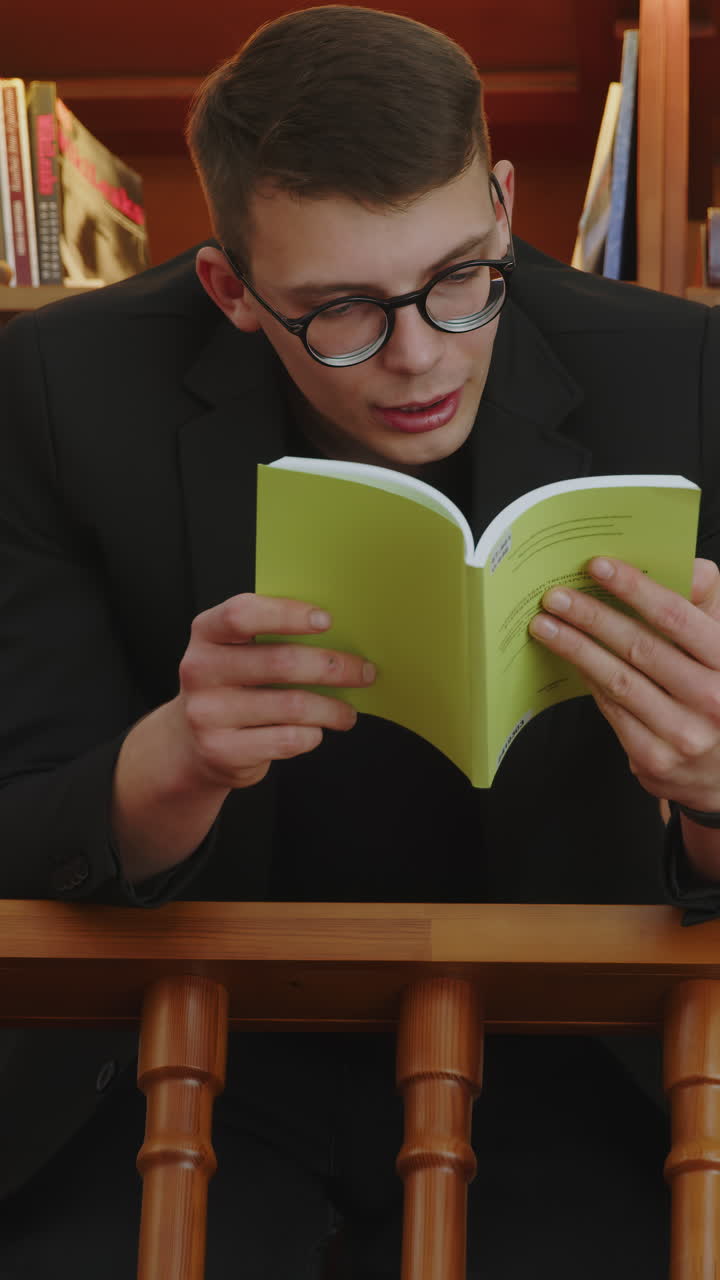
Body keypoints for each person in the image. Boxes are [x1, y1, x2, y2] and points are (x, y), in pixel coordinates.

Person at [1, 6, 720, 1276]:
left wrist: (713, 789)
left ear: (503, 206)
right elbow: (21, 817)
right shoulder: (59, 390)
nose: (418, 357)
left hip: (570, 1040)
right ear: (229, 286)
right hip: (178, 1031)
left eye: (460, 280)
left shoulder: (683, 376)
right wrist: (168, 765)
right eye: (340, 310)